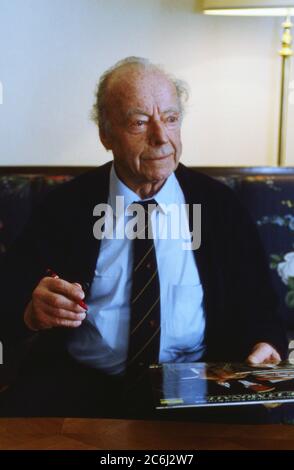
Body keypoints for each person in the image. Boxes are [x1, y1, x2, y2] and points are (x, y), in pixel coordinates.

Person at [0, 57, 288, 420]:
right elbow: (8, 297)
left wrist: (266, 343)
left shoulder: (220, 207)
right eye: (139, 122)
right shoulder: (64, 206)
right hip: (83, 383)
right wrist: (31, 310)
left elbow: (263, 306)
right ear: (106, 134)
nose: (161, 137)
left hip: (197, 385)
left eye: (170, 119)